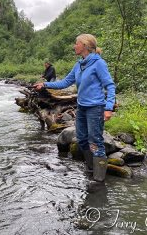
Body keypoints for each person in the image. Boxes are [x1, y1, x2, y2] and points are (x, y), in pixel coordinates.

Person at [34, 34, 115, 183]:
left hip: (96, 108)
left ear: (84, 45)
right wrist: (45, 84)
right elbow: (65, 82)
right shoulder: (79, 64)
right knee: (82, 139)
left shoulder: (99, 63)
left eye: (76, 43)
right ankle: (91, 169)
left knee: (95, 141)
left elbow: (109, 86)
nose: (74, 46)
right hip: (82, 107)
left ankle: (98, 179)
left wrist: (108, 107)